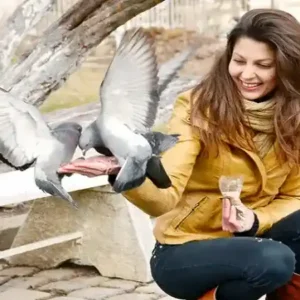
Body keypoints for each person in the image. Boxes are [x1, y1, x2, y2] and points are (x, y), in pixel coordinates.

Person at [60, 8, 300, 300]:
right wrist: (125, 169)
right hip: (184, 251)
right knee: (274, 260)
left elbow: (293, 196)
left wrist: (254, 220)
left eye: (263, 65)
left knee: (281, 247)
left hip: (252, 236)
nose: (247, 74)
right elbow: (165, 195)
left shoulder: (293, 118)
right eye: (239, 61)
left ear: (288, 67)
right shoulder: (198, 109)